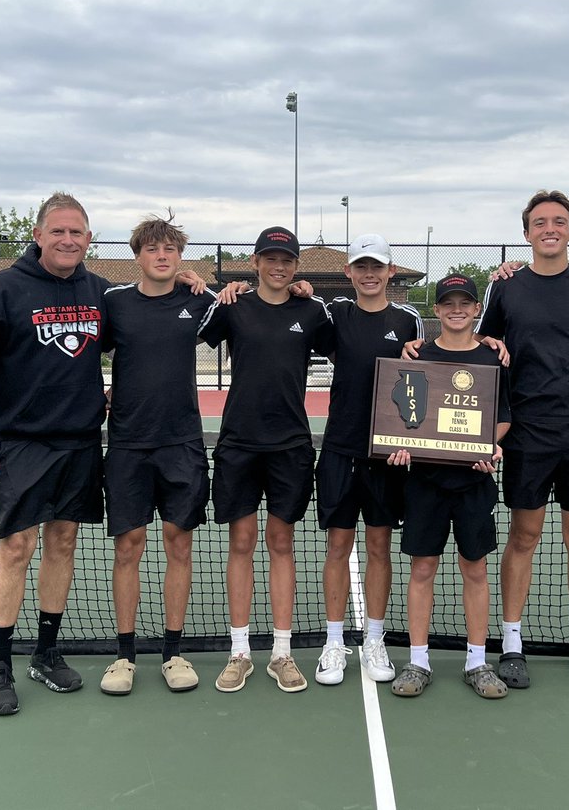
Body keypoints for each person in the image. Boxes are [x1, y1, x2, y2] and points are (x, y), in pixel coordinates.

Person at [0, 192, 109, 716]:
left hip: (81, 442)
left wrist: (189, 282)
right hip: (21, 443)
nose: (68, 240)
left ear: (89, 239)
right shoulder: (3, 288)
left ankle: (46, 653)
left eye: (77, 232)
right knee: (16, 548)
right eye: (58, 231)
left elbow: (140, 330)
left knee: (62, 543)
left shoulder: (99, 292)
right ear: (39, 235)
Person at [477, 189, 569, 690]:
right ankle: (511, 645)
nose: (550, 229)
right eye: (540, 222)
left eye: (559, 221)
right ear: (526, 233)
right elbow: (478, 344)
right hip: (527, 432)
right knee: (524, 537)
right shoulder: (505, 287)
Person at [197, 225, 335, 693]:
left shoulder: (311, 311)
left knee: (281, 543)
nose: (279, 266)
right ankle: (239, 652)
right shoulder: (233, 306)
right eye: (271, 258)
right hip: (239, 444)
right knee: (241, 543)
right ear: (255, 262)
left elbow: (348, 345)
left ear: (296, 266)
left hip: (291, 446)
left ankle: (281, 653)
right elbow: (191, 328)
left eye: (287, 260)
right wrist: (212, 289)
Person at [97, 213, 216, 696]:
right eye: (152, 248)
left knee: (178, 545)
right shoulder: (114, 303)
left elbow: (249, 313)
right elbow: (83, 353)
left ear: (180, 256)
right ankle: (124, 656)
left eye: (170, 249)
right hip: (127, 445)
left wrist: (208, 286)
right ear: (138, 256)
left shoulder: (198, 301)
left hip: (182, 444)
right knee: (128, 547)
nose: (162, 255)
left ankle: (173, 653)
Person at [387, 274, 511, 700]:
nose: (456, 310)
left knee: (475, 569)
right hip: (425, 482)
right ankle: (418, 661)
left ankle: (477, 662)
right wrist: (401, 444)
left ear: (476, 309)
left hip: (474, 482)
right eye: (448, 303)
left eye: (464, 303)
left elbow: (503, 415)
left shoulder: (493, 357)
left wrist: (489, 443)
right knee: (422, 569)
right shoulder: (417, 355)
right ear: (436, 310)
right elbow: (404, 414)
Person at [313, 235, 424, 686]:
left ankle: (374, 639)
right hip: (340, 448)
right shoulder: (336, 313)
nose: (369, 273)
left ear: (391, 271)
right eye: (361, 266)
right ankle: (333, 642)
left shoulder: (409, 320)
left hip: (388, 456)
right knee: (337, 547)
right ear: (349, 272)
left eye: (377, 266)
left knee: (379, 548)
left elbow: (421, 382)